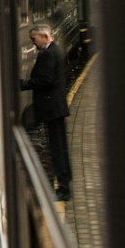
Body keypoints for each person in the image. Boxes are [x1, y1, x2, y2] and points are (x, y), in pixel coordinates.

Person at [21, 22, 72, 201]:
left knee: (58, 149)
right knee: (59, 148)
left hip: (52, 108)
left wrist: (22, 84)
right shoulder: (55, 51)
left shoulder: (48, 54)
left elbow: (45, 80)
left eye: (34, 40)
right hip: (55, 107)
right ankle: (64, 184)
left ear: (44, 37)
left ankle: (64, 189)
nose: (33, 43)